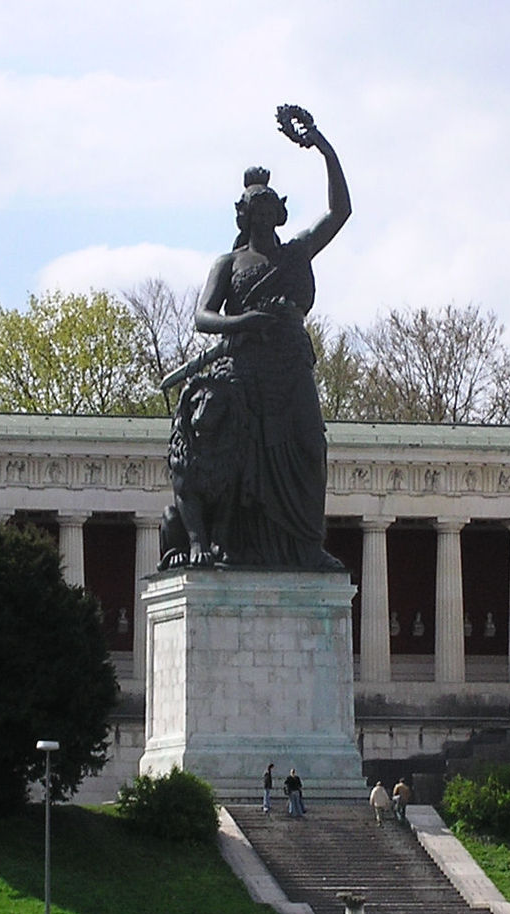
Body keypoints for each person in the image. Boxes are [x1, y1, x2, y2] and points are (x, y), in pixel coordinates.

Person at [159, 105, 349, 571]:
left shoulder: (298, 251)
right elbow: (203, 317)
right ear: (244, 215)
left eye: (271, 207)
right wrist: (244, 324)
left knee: (309, 446)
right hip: (245, 374)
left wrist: (321, 145)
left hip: (291, 368)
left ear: (279, 213)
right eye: (255, 209)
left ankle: (305, 544)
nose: (264, 215)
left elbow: (340, 210)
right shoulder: (227, 264)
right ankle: (238, 547)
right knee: (248, 464)